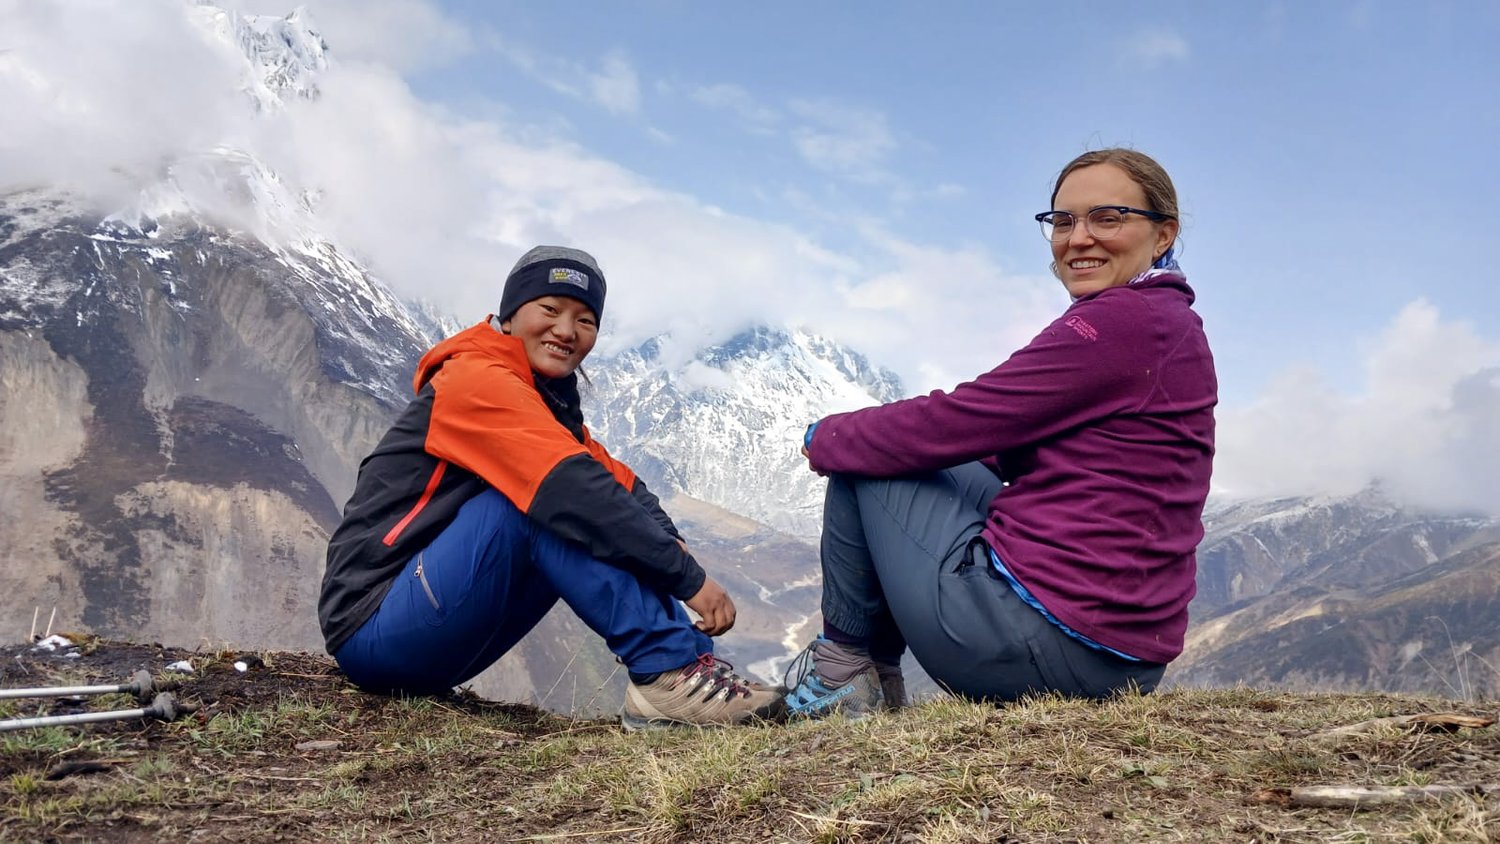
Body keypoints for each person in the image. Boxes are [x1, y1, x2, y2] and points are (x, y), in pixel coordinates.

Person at [786, 148, 1216, 716]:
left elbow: (960, 420)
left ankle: (842, 677)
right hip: (1122, 659)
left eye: (1107, 217)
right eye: (1062, 221)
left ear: (1163, 234)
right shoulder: (1165, 323)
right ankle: (865, 681)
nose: (1078, 238)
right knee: (895, 449)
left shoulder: (1120, 323)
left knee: (865, 454)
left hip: (1037, 650)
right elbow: (1006, 442)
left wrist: (826, 438)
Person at [319, 245, 785, 730]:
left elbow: (616, 480)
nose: (566, 330)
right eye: (550, 309)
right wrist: (687, 579)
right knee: (545, 503)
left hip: (428, 637)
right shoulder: (475, 380)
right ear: (511, 312)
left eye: (585, 320)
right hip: (374, 630)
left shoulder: (539, 400)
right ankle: (667, 672)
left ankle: (688, 673)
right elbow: (574, 489)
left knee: (608, 513)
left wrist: (668, 541)